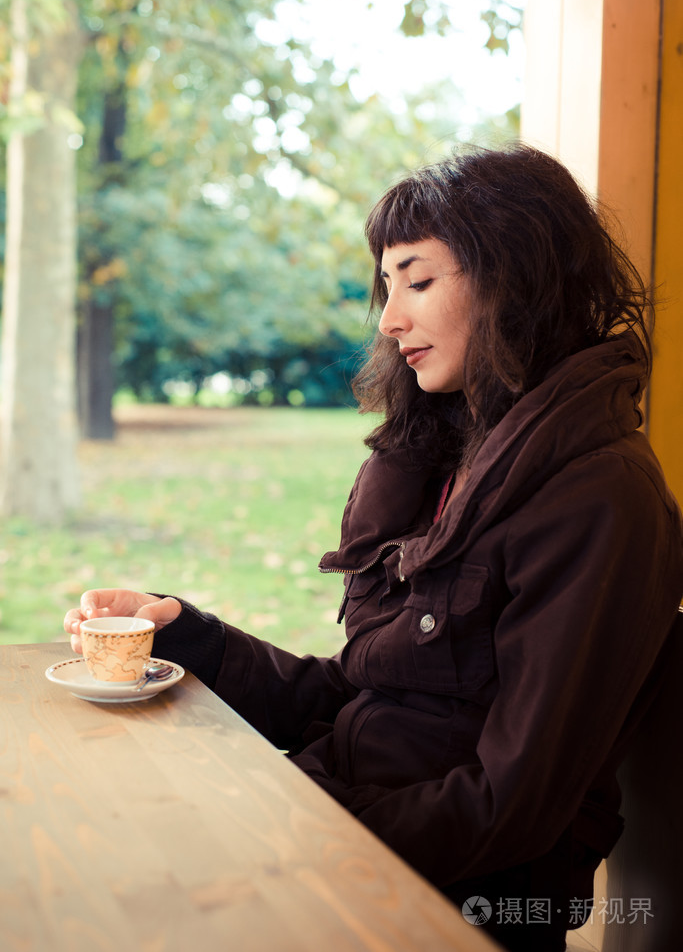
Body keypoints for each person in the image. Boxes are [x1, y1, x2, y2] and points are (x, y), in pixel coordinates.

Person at [65, 144, 683, 952]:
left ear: (516, 277)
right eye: (386, 286)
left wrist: (287, 824)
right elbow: (368, 699)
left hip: (452, 906)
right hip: (349, 841)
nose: (389, 320)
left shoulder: (600, 498)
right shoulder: (449, 460)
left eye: (418, 281)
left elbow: (511, 805)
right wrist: (194, 637)